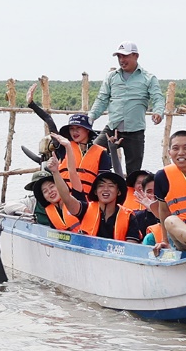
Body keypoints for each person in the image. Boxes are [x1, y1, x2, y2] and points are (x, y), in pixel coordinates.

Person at [87, 42, 164, 176]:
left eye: (125, 56)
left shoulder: (148, 78)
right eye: (119, 57)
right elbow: (102, 99)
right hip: (112, 128)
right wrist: (91, 116)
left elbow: (158, 98)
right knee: (91, 155)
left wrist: (158, 112)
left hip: (135, 132)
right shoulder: (111, 77)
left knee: (134, 173)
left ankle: (130, 195)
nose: (122, 60)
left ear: (136, 56)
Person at [45, 115, 112, 197]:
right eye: (71, 129)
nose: (74, 132)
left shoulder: (101, 153)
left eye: (78, 128)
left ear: (87, 130)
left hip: (88, 200)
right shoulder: (64, 146)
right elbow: (48, 120)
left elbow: (104, 181)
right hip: (64, 198)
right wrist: (32, 105)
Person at [77, 169, 146, 241]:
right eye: (101, 186)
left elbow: (131, 246)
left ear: (118, 192)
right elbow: (67, 199)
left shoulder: (129, 216)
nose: (106, 189)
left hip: (116, 251)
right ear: (95, 192)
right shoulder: (86, 209)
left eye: (111, 186)